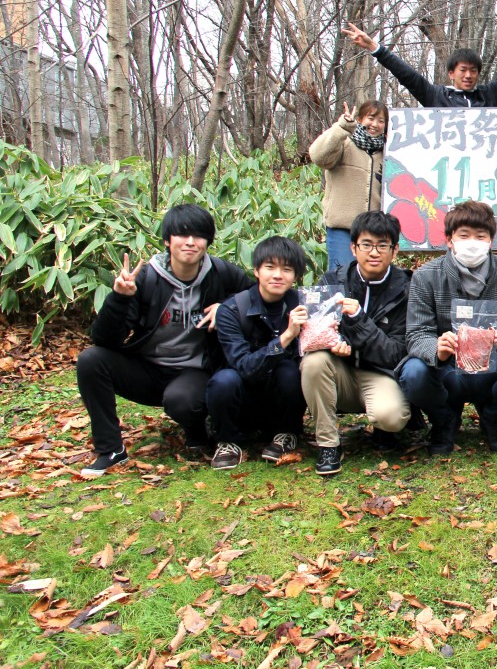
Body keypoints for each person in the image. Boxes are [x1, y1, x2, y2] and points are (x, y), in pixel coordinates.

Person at [76, 204, 253, 478]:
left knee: (182, 400)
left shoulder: (220, 273)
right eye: (182, 235)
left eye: (199, 236)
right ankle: (110, 450)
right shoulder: (147, 278)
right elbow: (105, 339)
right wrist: (120, 298)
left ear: (208, 242)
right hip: (146, 368)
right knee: (91, 359)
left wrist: (226, 307)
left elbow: (255, 293)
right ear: (167, 240)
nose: (191, 242)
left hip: (194, 371)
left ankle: (195, 430)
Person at [399, 201, 497, 454]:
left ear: (491, 240)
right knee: (413, 372)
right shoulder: (426, 276)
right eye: (464, 235)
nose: (473, 242)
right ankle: (444, 420)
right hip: (448, 370)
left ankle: (494, 417)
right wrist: (437, 348)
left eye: (481, 236)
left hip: (493, 367)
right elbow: (416, 334)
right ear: (449, 239)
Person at [301, 211, 414, 476]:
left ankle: (383, 431)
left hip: (380, 374)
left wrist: (359, 319)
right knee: (313, 361)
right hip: (340, 371)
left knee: (392, 417)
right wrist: (335, 344)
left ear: (394, 250)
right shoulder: (333, 282)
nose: (374, 252)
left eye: (382, 245)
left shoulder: (407, 288)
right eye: (366, 244)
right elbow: (316, 332)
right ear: (353, 247)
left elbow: (396, 353)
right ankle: (328, 444)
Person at [209, 237, 310, 470]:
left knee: (290, 370)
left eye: (286, 269)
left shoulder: (303, 304)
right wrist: (286, 337)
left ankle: (286, 434)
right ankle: (228, 441)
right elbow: (244, 366)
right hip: (243, 395)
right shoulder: (231, 310)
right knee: (223, 379)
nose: (278, 275)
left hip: (283, 399)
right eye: (270, 267)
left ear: (295, 276)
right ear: (256, 270)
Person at [340, 11, 497, 108]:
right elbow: (407, 75)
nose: (468, 75)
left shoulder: (490, 95)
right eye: (463, 70)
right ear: (451, 73)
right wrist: (374, 47)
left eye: (473, 71)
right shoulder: (436, 96)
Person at [310, 100, 388, 270]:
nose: (375, 124)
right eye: (371, 118)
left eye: (381, 121)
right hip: (342, 229)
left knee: (370, 282)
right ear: (360, 119)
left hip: (374, 232)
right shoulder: (344, 143)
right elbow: (318, 156)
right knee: (341, 279)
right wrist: (342, 127)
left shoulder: (387, 153)